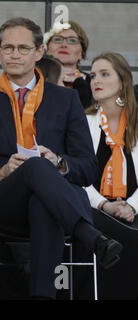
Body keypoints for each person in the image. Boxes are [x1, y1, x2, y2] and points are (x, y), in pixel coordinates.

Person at [0, 17, 122, 300]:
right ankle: (89, 234)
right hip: (1, 202)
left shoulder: (66, 100)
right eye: (8, 48)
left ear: (38, 53)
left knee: (41, 192)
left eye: (23, 48)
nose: (14, 55)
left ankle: (42, 296)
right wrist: (0, 171)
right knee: (35, 167)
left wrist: (59, 163)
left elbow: (86, 169)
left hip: (51, 199)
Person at [83, 52, 138, 299]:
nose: (96, 80)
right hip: (95, 210)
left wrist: (132, 207)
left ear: (123, 81)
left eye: (105, 74)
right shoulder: (84, 122)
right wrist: (105, 205)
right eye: (93, 75)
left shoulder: (136, 124)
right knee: (114, 233)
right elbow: (78, 176)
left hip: (132, 210)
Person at [44, 20, 92, 108]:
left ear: (82, 53)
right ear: (47, 49)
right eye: (58, 39)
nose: (64, 45)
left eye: (72, 41)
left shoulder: (93, 83)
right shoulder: (34, 80)